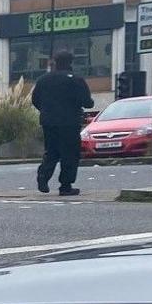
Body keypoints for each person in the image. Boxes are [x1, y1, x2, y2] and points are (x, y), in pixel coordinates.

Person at [31, 50, 93, 196]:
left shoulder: (43, 79)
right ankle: (65, 186)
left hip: (49, 122)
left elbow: (35, 100)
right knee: (70, 154)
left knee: (51, 151)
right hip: (70, 122)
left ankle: (43, 176)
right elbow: (86, 102)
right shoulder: (76, 80)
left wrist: (46, 111)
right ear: (70, 62)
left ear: (55, 62)